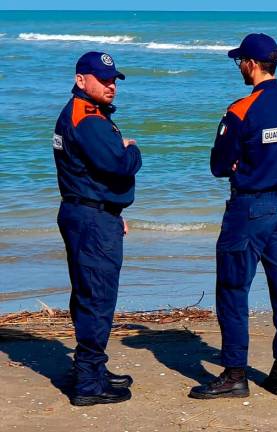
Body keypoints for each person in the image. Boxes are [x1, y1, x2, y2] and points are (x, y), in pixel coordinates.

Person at [189, 33, 277, 399]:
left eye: (239, 61)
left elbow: (218, 165)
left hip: (251, 207)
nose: (238, 67)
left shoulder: (241, 110)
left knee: (232, 288)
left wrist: (245, 162)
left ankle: (234, 373)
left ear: (252, 64)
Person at [53, 51, 142, 406]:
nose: (110, 86)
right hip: (90, 220)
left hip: (87, 211)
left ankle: (91, 368)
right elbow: (119, 164)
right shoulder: (87, 118)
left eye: (113, 80)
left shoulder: (82, 114)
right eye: (103, 80)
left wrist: (111, 208)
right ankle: (88, 382)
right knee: (97, 298)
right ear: (80, 80)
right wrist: (133, 150)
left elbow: (88, 173)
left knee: (88, 294)